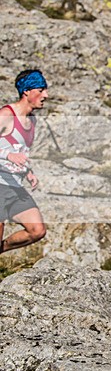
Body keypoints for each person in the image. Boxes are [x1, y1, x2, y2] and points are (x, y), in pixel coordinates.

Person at [0, 69, 48, 254]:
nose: (46, 95)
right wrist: (7, 156)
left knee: (37, 231)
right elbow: (10, 153)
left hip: (14, 186)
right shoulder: (6, 115)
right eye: (41, 89)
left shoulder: (31, 120)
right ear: (26, 91)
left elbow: (18, 150)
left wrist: (27, 171)